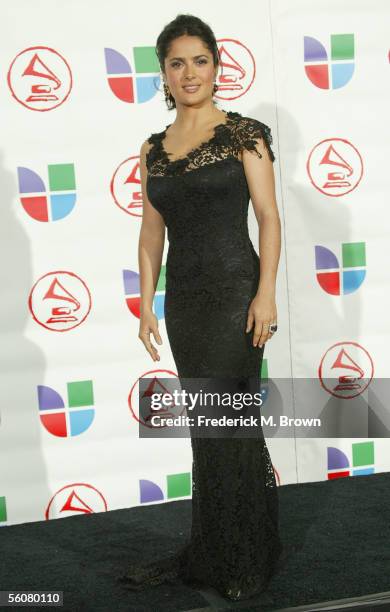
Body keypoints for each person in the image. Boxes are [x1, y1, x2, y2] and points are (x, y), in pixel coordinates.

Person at [118, 13, 283, 602]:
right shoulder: (152, 149)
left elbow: (267, 216)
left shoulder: (244, 133)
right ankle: (216, 546)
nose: (190, 72)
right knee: (208, 429)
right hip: (185, 302)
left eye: (200, 60)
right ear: (163, 71)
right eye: (177, 62)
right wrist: (146, 306)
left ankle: (246, 555)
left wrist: (265, 292)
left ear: (217, 66)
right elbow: (149, 235)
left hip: (237, 295)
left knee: (233, 424)